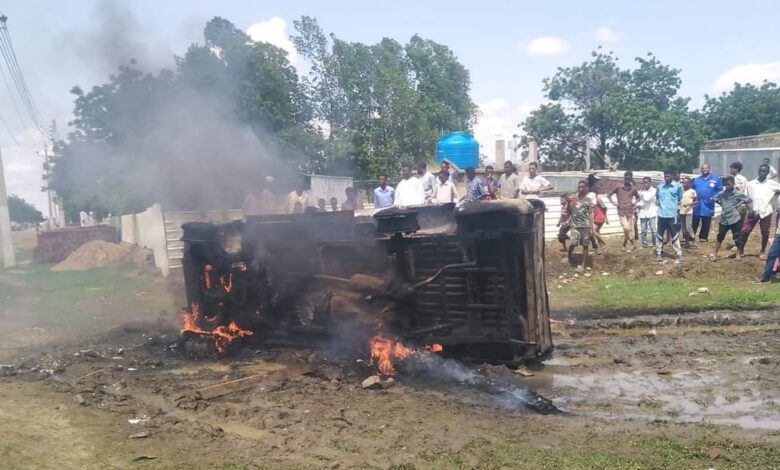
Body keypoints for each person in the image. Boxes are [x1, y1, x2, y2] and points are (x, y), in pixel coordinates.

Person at [739, 164, 780, 259]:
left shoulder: (772, 184)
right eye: (761, 170)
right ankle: (740, 250)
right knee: (745, 231)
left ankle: (762, 251)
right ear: (758, 171)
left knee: (765, 232)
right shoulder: (750, 184)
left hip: (766, 211)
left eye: (764, 171)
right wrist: (749, 209)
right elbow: (746, 198)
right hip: (753, 211)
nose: (762, 172)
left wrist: (776, 195)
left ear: (767, 172)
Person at [712, 176, 750, 261]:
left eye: (729, 183)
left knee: (737, 237)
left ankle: (738, 254)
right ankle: (715, 254)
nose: (727, 185)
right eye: (726, 184)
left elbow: (748, 200)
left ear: (733, 183)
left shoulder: (738, 194)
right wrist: (722, 205)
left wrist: (745, 209)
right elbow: (715, 198)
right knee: (720, 236)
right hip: (724, 218)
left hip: (735, 219)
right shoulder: (721, 194)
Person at [656, 169, 684, 263]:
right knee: (659, 234)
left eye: (668, 176)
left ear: (672, 176)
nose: (666, 178)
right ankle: (659, 252)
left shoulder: (678, 186)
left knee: (674, 235)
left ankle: (678, 254)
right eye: (665, 176)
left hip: (672, 215)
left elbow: (680, 197)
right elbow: (657, 197)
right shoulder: (660, 186)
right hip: (661, 214)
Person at [566, 180, 594, 271]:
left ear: (586, 188)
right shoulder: (574, 198)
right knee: (573, 243)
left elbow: (590, 214)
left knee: (585, 245)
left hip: (585, 225)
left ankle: (583, 265)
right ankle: (568, 257)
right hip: (575, 225)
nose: (580, 189)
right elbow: (569, 210)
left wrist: (591, 228)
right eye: (579, 187)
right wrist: (568, 202)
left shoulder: (588, 200)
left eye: (582, 187)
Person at [692, 163, 723, 242]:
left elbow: (720, 190)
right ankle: (691, 236)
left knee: (706, 221)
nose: (704, 170)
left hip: (708, 204)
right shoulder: (696, 180)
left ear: (709, 169)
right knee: (694, 220)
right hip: (697, 204)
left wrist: (714, 197)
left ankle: (703, 237)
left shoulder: (716, 179)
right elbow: (692, 190)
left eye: (706, 168)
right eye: (702, 168)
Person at [609, 171, 638, 251]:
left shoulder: (633, 189)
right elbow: (609, 195)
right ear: (624, 178)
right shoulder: (618, 187)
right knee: (626, 228)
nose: (627, 180)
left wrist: (634, 203)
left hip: (630, 211)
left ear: (631, 179)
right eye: (626, 178)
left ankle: (625, 244)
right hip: (621, 210)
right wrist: (614, 203)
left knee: (629, 229)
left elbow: (638, 197)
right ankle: (631, 243)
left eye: (629, 178)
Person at [636, 177, 658, 249]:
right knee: (643, 230)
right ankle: (644, 244)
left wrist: (641, 194)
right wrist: (638, 205)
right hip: (643, 212)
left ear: (650, 183)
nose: (645, 184)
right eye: (644, 183)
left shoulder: (654, 190)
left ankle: (655, 243)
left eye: (646, 182)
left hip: (651, 212)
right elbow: (640, 202)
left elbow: (647, 199)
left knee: (654, 230)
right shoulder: (641, 191)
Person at [679, 176, 698, 246]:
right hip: (681, 211)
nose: (684, 184)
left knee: (688, 226)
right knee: (684, 228)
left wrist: (689, 204)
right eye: (683, 183)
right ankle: (687, 242)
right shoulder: (681, 191)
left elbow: (696, 201)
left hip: (689, 211)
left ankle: (694, 238)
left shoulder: (692, 191)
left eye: (686, 183)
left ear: (689, 183)